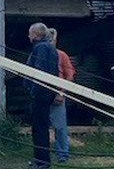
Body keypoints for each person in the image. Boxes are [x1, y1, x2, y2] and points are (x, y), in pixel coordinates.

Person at [25, 22, 59, 167]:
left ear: (35, 34)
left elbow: (39, 71)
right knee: (41, 126)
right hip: (46, 92)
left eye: (30, 33)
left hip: (41, 93)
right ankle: (41, 159)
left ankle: (42, 161)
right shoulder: (49, 47)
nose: (28, 36)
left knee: (39, 128)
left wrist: (33, 91)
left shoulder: (41, 48)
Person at [48, 28, 75, 164]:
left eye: (51, 40)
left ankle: (62, 155)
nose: (49, 43)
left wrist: (61, 93)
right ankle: (42, 153)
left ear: (55, 41)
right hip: (43, 94)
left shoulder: (61, 55)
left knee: (59, 127)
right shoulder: (39, 54)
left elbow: (69, 76)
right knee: (41, 126)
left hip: (57, 95)